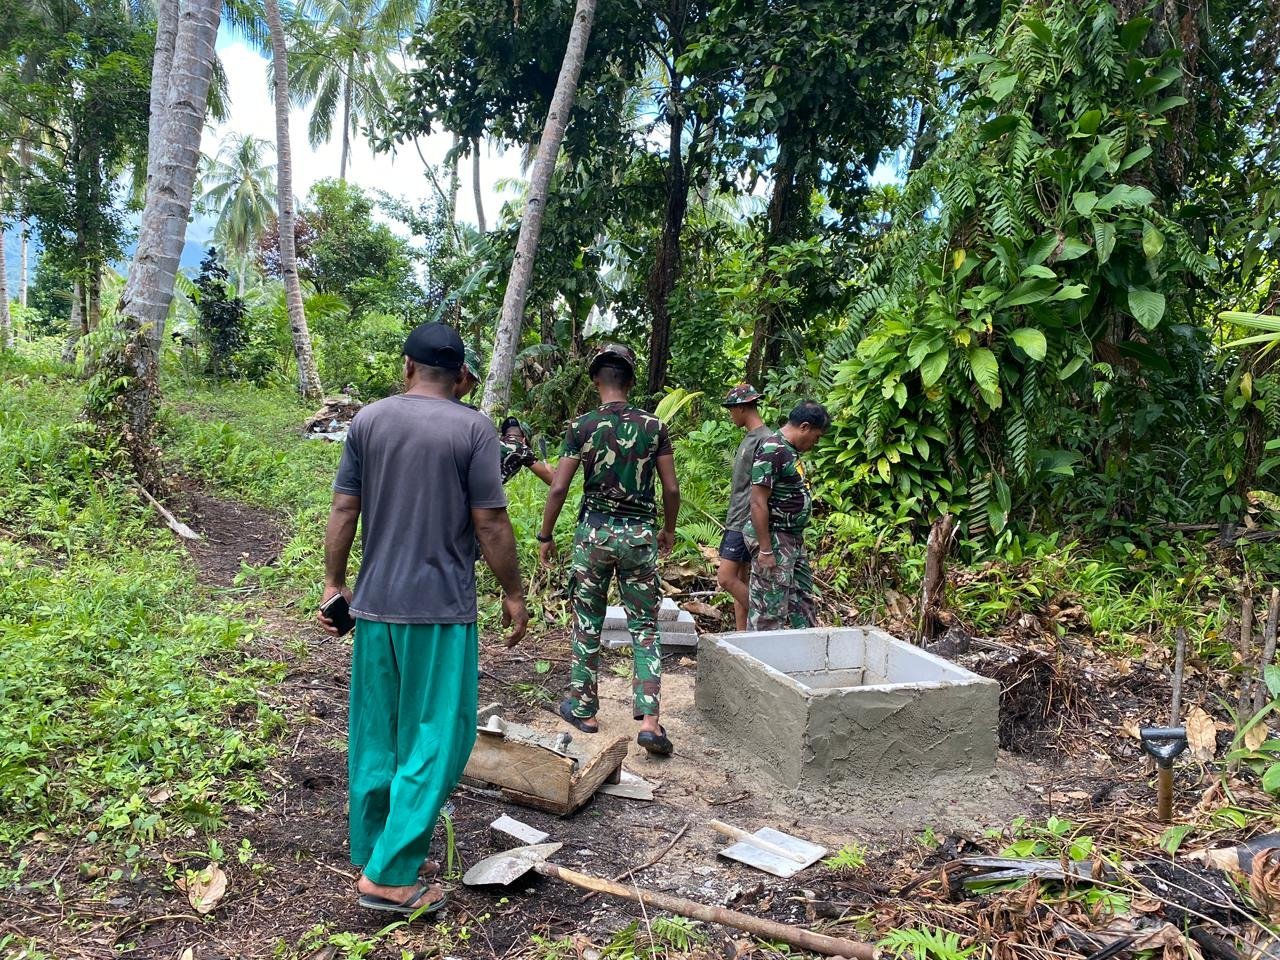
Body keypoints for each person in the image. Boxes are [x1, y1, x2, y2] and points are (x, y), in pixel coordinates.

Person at [319, 321, 529, 916]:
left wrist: (334, 584)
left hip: (374, 607)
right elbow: (490, 521)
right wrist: (514, 592)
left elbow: (344, 508)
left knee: (377, 733)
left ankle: (377, 848)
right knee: (437, 735)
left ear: (407, 366)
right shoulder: (473, 428)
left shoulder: (368, 421)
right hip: (439, 610)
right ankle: (388, 877)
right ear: (462, 376)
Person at [536, 344, 681, 755]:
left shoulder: (581, 426)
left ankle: (584, 710)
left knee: (587, 621)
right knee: (645, 627)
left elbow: (559, 487)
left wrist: (545, 536)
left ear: (596, 380)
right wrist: (668, 530)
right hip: (639, 537)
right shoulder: (653, 426)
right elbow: (671, 488)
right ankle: (650, 721)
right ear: (631, 381)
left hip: (594, 536)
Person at [746, 401, 830, 631]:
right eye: (816, 437)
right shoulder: (773, 450)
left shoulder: (790, 451)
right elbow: (758, 501)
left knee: (802, 603)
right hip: (774, 538)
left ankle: (807, 648)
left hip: (792, 539)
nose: (815, 443)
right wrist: (765, 549)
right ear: (804, 427)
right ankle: (760, 652)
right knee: (769, 608)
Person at [715, 384, 772, 631]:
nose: (731, 415)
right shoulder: (750, 438)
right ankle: (742, 635)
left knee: (726, 578)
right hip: (737, 517)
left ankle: (769, 618)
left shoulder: (765, 440)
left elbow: (763, 488)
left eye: (731, 410)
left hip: (744, 521)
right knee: (741, 578)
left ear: (741, 408)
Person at [499, 417, 555, 485]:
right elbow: (552, 480)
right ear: (524, 440)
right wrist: (549, 469)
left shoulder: (492, 442)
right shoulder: (522, 449)